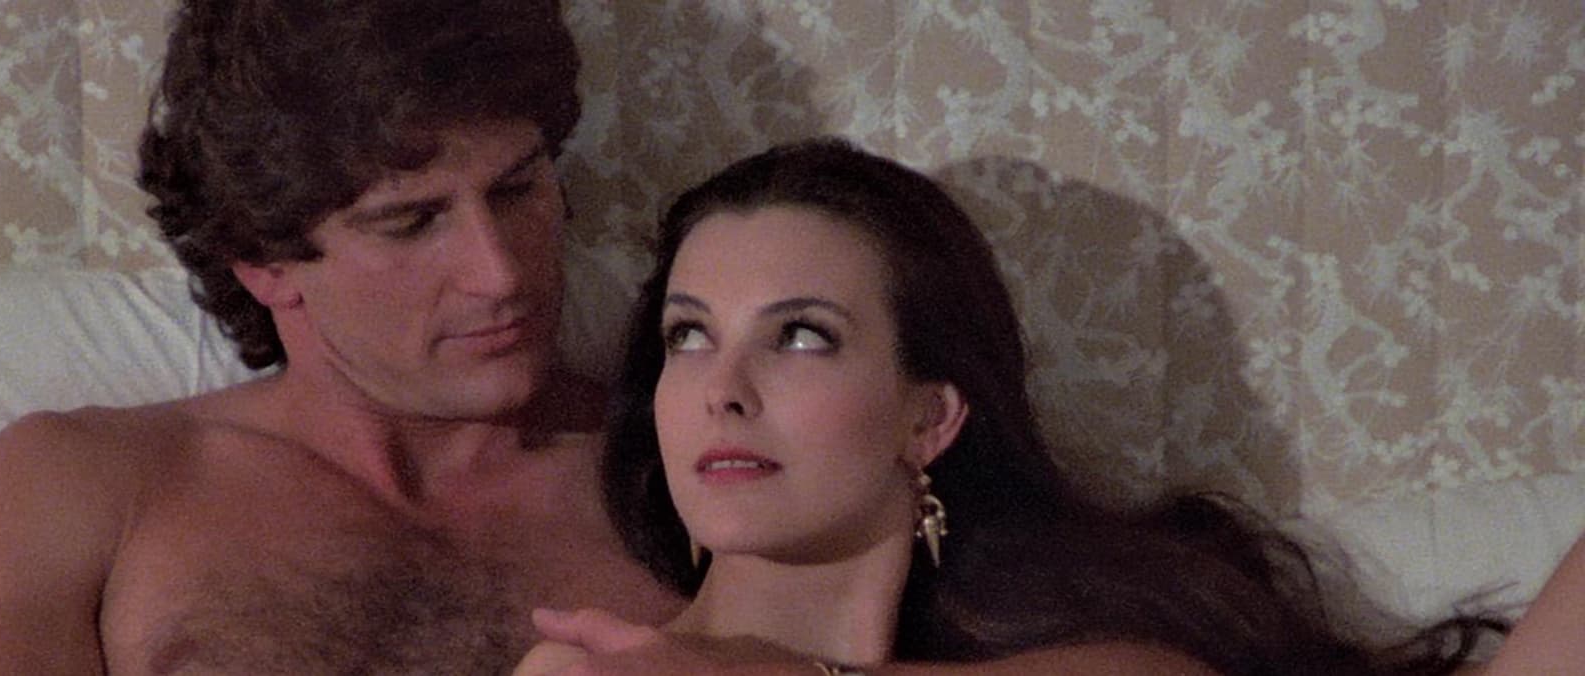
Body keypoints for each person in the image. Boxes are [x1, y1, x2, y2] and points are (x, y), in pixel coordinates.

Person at [516, 138, 1531, 675]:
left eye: (802, 336)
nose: (722, 389)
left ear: (931, 418)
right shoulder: (591, 671)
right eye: (688, 336)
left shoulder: (1095, 649)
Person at [0, 1, 684, 673]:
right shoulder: (91, 487)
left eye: (516, 189)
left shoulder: (684, 473)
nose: (500, 274)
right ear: (264, 263)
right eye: (411, 222)